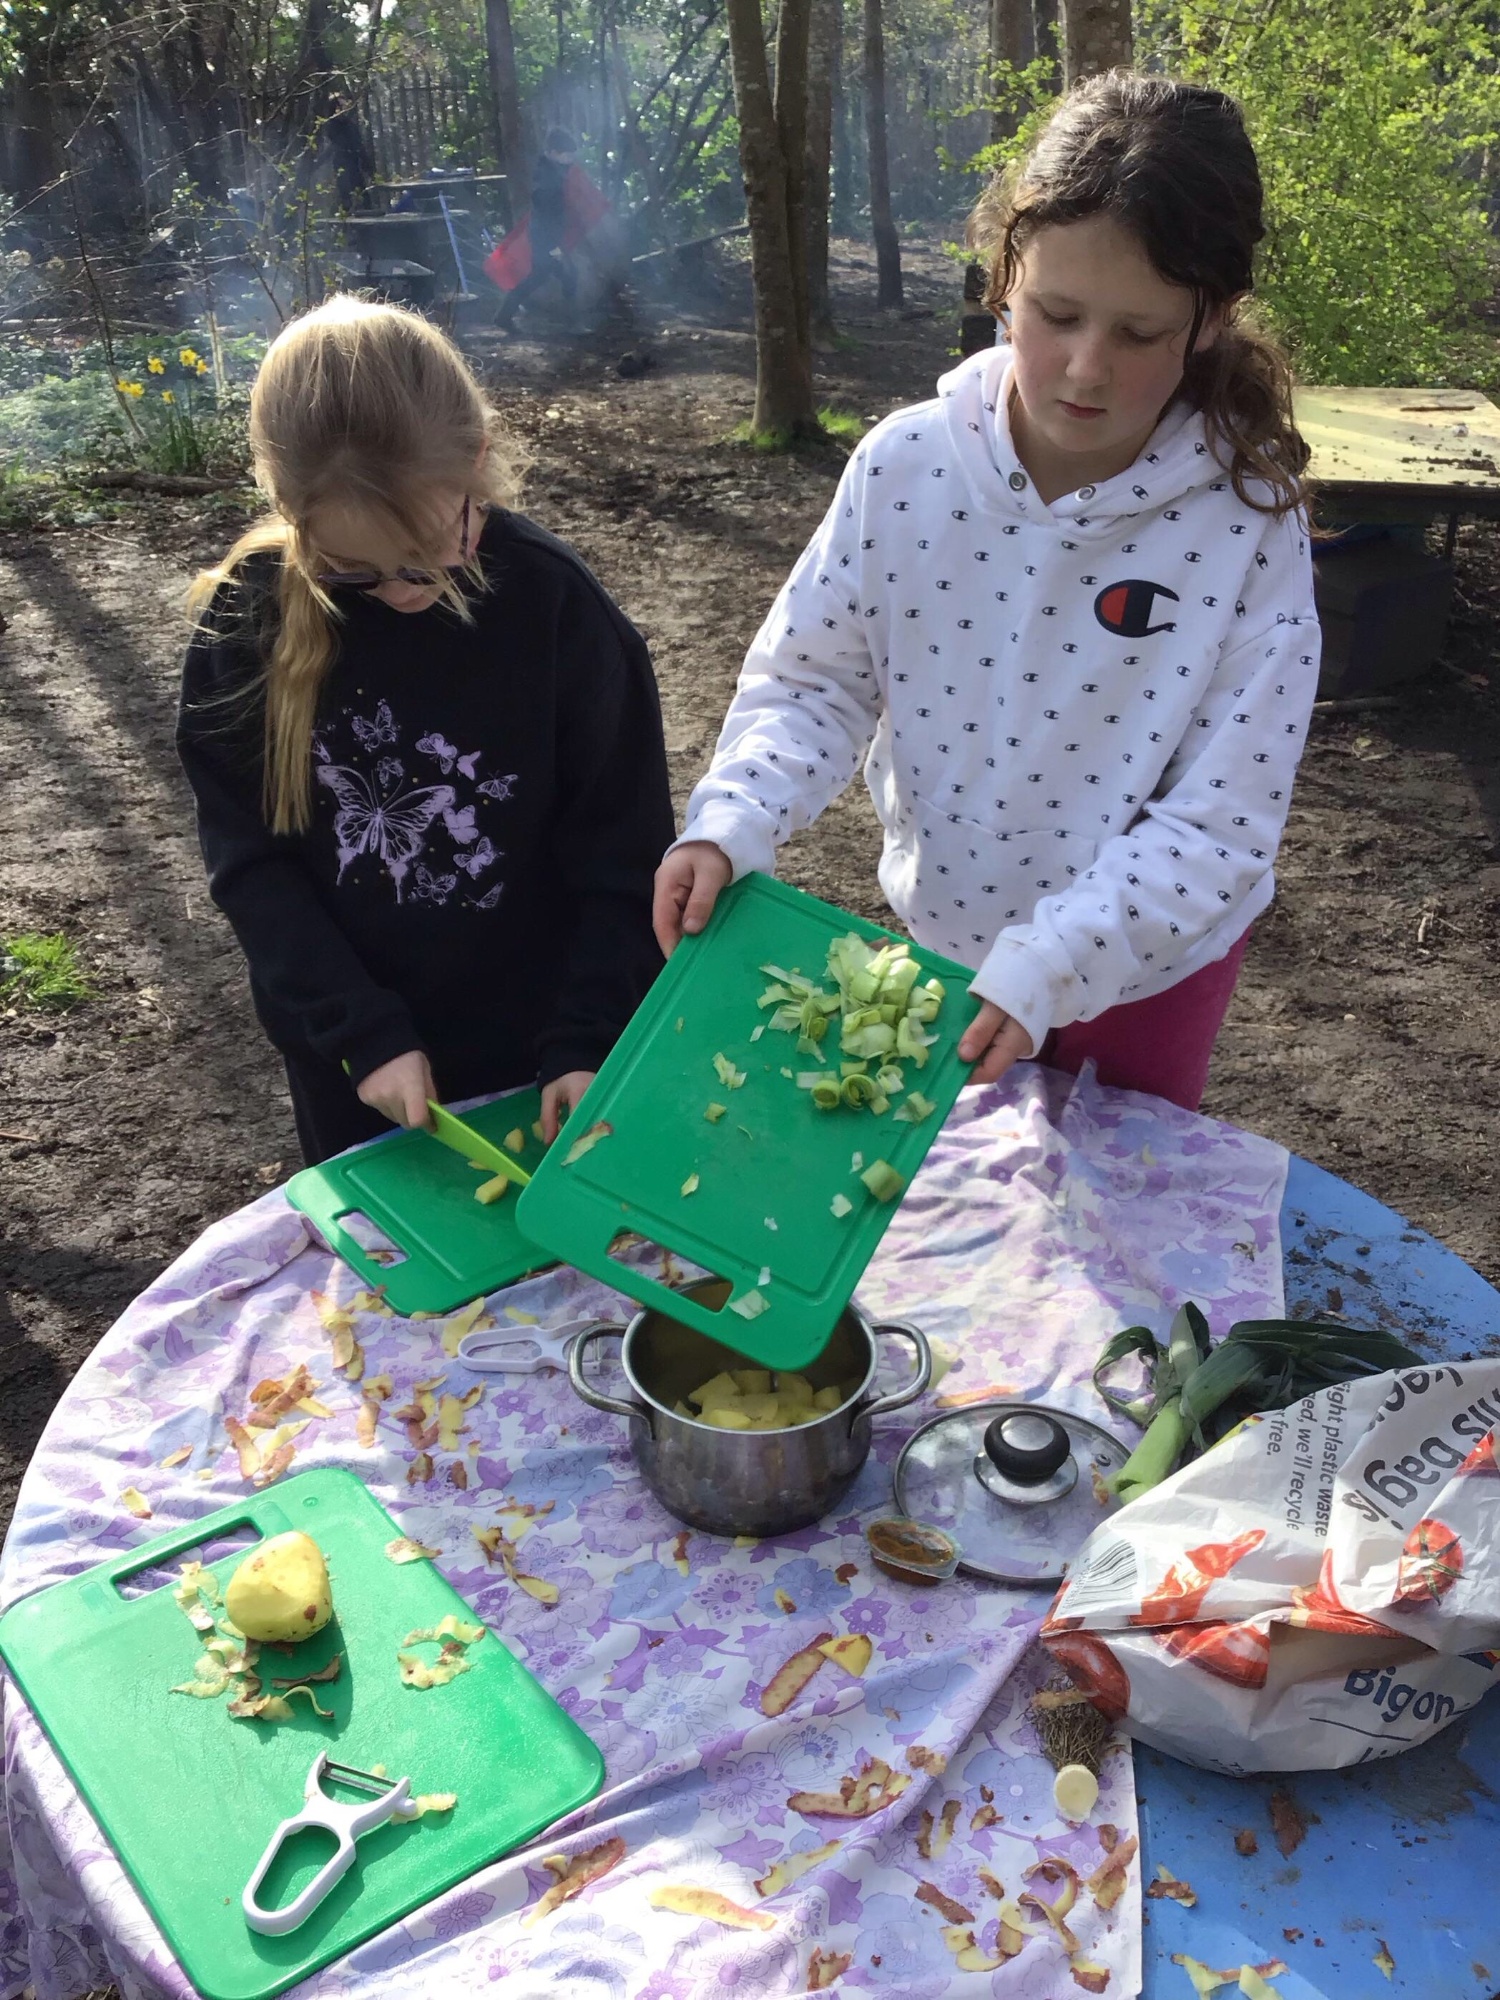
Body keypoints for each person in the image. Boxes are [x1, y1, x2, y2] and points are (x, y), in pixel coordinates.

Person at [654, 72, 1320, 1113]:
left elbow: (1222, 823)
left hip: (1145, 983)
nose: (1085, 370)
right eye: (1056, 313)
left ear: (1210, 320)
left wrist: (1054, 962)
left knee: (1113, 1242)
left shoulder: (1245, 524)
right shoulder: (903, 469)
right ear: (1003, 272)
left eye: (1139, 334)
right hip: (943, 947)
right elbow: (816, 680)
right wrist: (733, 817)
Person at [178, 295, 673, 1165]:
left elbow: (624, 853)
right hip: (358, 1069)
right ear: (288, 509)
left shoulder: (558, 611)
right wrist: (356, 1030)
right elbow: (253, 866)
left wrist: (589, 1037)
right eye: (353, 575)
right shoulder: (247, 621)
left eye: (428, 556)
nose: (402, 592)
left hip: (549, 1056)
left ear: (477, 462)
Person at [493, 130, 604, 330]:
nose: (570, 159)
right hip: (546, 238)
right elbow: (545, 211)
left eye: (572, 154)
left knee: (542, 276)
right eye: (566, 154)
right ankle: (573, 324)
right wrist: (554, 246)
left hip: (546, 236)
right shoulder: (548, 178)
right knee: (568, 275)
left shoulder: (552, 171)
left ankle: (504, 316)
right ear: (553, 152)